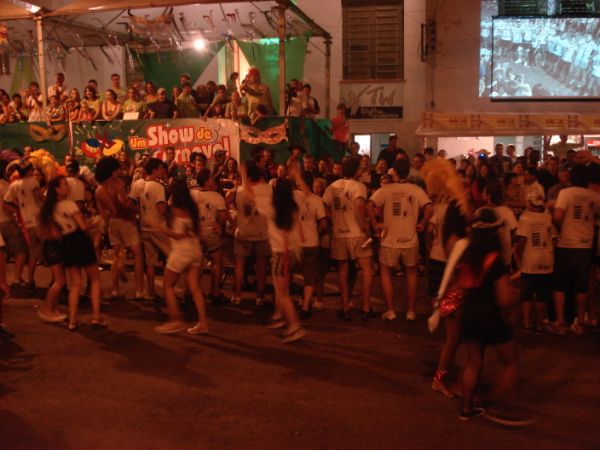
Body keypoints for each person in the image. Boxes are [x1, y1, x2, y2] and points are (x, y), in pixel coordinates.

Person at [459, 207, 520, 422]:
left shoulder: (468, 256)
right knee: (510, 363)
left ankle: (466, 409)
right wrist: (514, 294)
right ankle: (498, 407)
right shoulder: (495, 261)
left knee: (473, 363)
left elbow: (463, 284)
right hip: (490, 315)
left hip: (469, 312)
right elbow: (504, 299)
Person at [242, 162, 306, 343]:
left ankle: (295, 327)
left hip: (282, 254)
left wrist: (243, 175)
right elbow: (305, 192)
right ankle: (280, 317)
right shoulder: (294, 206)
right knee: (281, 290)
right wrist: (297, 175)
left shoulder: (273, 208)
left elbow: (249, 194)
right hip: (292, 252)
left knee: (282, 293)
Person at [368, 159, 433, 321]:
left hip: (390, 239)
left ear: (394, 172)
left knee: (385, 271)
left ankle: (390, 311)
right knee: (411, 273)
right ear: (408, 172)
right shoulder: (416, 189)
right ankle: (411, 311)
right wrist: (423, 223)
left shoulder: (386, 189)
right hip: (410, 239)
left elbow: (369, 205)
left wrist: (375, 224)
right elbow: (429, 207)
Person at [41, 176, 106, 330]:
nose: (68, 186)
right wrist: (94, 222)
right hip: (79, 240)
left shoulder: (50, 208)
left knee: (75, 284)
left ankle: (73, 320)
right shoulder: (69, 204)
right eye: (64, 184)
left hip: (66, 243)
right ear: (57, 189)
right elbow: (83, 226)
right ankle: (96, 317)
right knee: (95, 279)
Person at [152, 180, 209, 335]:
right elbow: (197, 232)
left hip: (181, 251)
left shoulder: (177, 209)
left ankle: (175, 320)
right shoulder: (192, 208)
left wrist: (159, 227)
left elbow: (177, 235)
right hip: (195, 249)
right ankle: (203, 323)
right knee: (195, 288)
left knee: (168, 285)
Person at [550, 164, 600, 335]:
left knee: (560, 284)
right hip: (585, 245)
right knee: (581, 286)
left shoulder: (565, 193)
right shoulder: (594, 196)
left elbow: (558, 217)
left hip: (566, 243)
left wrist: (553, 216)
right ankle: (580, 323)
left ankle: (561, 322)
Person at [322, 157, 373, 320]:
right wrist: (364, 224)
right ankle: (366, 307)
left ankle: (345, 308)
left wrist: (334, 219)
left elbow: (325, 205)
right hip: (357, 234)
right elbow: (359, 204)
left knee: (342, 271)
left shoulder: (333, 186)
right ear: (356, 170)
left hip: (339, 233)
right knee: (367, 269)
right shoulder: (359, 186)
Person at [94, 156, 145, 300]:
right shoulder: (117, 184)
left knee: (117, 256)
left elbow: (103, 213)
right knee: (138, 254)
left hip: (112, 223)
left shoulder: (98, 190)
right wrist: (137, 210)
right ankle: (139, 290)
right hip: (125, 222)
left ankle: (115, 290)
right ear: (112, 171)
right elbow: (123, 202)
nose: (120, 171)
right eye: (117, 169)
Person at [228, 160, 271, 306]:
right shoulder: (268, 189)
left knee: (240, 265)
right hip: (262, 233)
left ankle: (237, 295)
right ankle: (260, 297)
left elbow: (226, 203)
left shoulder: (238, 190)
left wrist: (232, 221)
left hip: (243, 233)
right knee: (261, 266)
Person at [515, 194, 556, 333]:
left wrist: (519, 258)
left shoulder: (525, 217)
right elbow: (554, 240)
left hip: (530, 260)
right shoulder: (548, 217)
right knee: (542, 295)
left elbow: (522, 240)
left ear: (530, 204)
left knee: (526, 294)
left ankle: (527, 323)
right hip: (547, 260)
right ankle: (538, 324)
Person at [191, 169, 230, 304]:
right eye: (211, 178)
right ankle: (215, 293)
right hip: (210, 233)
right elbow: (223, 216)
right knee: (217, 262)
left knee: (196, 264)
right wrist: (219, 225)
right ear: (207, 181)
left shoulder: (191, 194)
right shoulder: (216, 196)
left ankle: (191, 293)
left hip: (195, 233)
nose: (213, 180)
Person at [3, 160, 43, 290]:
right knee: (51, 250)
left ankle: (30, 281)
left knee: (33, 253)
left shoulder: (14, 185)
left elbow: (6, 203)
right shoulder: (33, 181)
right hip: (39, 221)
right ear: (29, 170)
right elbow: (39, 198)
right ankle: (57, 282)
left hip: (28, 223)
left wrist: (19, 210)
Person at [293, 172, 327, 319]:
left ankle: (282, 305)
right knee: (310, 277)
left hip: (293, 243)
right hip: (311, 242)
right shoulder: (317, 200)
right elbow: (323, 223)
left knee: (287, 274)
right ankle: (306, 307)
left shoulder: (292, 196)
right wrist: (316, 233)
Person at [139, 158, 171, 302]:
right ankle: (168, 292)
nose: (163, 171)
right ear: (154, 170)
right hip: (158, 227)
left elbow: (132, 203)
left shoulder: (138, 184)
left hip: (144, 226)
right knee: (172, 258)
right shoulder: (158, 186)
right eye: (161, 168)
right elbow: (161, 209)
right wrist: (170, 211)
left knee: (150, 262)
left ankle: (151, 293)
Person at [0, 160, 28, 287]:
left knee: (3, 254)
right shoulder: (5, 185)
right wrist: (19, 210)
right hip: (6, 222)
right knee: (21, 250)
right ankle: (17, 278)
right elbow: (6, 205)